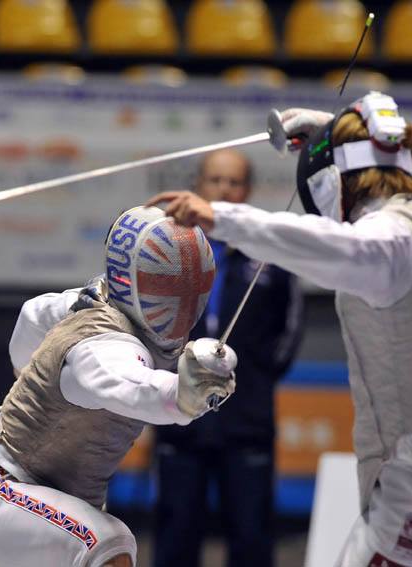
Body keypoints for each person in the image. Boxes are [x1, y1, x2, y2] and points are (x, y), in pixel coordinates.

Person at [148, 92, 412, 566]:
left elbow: (331, 246)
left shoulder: (391, 242)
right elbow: (408, 169)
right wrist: (331, 129)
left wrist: (221, 218)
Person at [0, 206, 238, 567]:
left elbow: (33, 316)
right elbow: (128, 384)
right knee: (107, 544)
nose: (180, 305)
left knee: (101, 541)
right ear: (131, 282)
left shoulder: (86, 300)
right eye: (166, 286)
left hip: (35, 500)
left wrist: (35, 379)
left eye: (190, 290)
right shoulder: (104, 344)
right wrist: (183, 396)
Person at [153, 149, 303, 567]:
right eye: (216, 180)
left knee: (251, 533)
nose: (224, 189)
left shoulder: (268, 253)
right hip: (178, 413)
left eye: (234, 182)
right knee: (176, 530)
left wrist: (255, 378)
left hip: (247, 419)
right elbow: (152, 323)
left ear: (248, 189)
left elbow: (290, 328)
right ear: (199, 186)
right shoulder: (173, 248)